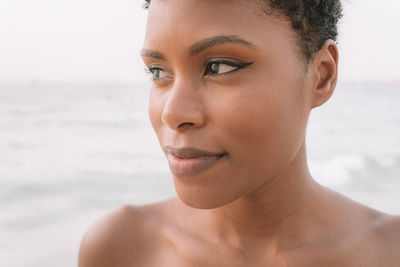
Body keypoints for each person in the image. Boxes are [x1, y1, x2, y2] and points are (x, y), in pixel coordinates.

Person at [78, 0, 400, 266]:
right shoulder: (121, 248)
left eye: (219, 66)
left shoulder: (390, 253)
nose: (172, 113)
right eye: (159, 72)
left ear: (321, 76)